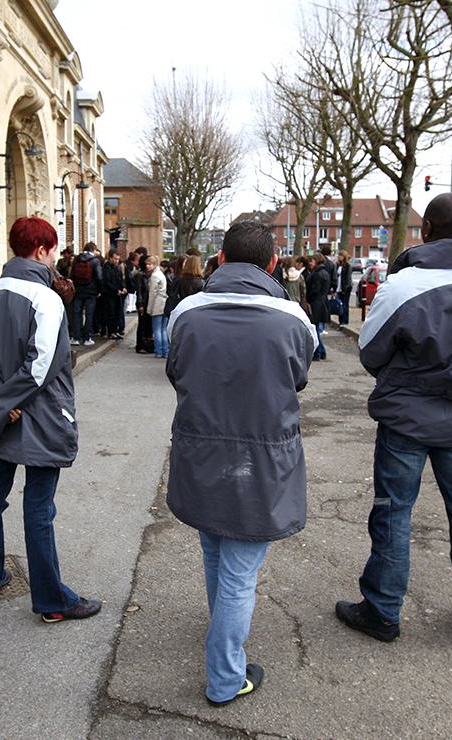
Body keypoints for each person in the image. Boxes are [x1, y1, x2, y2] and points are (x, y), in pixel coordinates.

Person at [336, 193, 452, 647]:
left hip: (407, 418)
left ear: (427, 231)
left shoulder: (403, 286)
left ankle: (383, 611)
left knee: (394, 511)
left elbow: (370, 352)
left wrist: (408, 377)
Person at [165, 221, 316, 706]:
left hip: (202, 452)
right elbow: (298, 378)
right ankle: (226, 676)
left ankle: (221, 639)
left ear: (222, 259)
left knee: (216, 551)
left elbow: (177, 370)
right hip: (264, 460)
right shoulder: (293, 318)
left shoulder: (187, 312)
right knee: (238, 572)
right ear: (272, 264)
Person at [0, 216, 101, 624]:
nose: (54, 256)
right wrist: (7, 402)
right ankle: (52, 600)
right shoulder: (45, 297)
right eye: (52, 249)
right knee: (38, 507)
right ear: (41, 250)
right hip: (41, 414)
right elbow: (40, 367)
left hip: (7, 413)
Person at [69, 242, 102, 346]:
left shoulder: (77, 259)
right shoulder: (95, 261)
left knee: (77, 314)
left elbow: (72, 274)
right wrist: (99, 290)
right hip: (91, 292)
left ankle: (76, 338)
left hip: (78, 291)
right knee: (89, 315)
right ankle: (87, 338)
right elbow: (99, 277)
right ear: (93, 249)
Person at [305, 255, 330, 360]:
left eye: (312, 261)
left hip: (316, 304)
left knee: (314, 329)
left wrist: (308, 299)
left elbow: (314, 290)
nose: (310, 263)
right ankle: (322, 352)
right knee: (316, 328)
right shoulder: (324, 273)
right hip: (322, 302)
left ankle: (318, 353)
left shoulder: (317, 274)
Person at [146, 255, 169, 358]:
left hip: (157, 304)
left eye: (149, 264)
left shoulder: (154, 276)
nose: (147, 266)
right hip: (164, 303)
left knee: (156, 329)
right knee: (163, 329)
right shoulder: (161, 274)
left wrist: (149, 308)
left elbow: (152, 294)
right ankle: (165, 350)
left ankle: (158, 351)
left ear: (154, 265)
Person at [101, 250, 127, 339]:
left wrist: (123, 287)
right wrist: (116, 290)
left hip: (117, 294)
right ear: (110, 258)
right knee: (110, 313)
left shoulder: (118, 268)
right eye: (115, 259)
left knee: (118, 313)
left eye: (118, 259)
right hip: (109, 294)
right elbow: (107, 282)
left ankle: (115, 331)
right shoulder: (106, 268)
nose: (116, 261)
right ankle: (111, 331)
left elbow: (120, 279)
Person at [135, 250, 153, 354]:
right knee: (142, 324)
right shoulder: (140, 275)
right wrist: (140, 304)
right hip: (143, 302)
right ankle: (140, 345)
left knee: (147, 324)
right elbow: (139, 291)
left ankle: (147, 344)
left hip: (148, 302)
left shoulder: (148, 275)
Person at [335, 251, 353, 325]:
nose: (339, 257)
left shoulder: (348, 266)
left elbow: (348, 278)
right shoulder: (337, 265)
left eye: (341, 255)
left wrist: (344, 289)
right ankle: (341, 320)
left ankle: (345, 321)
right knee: (340, 304)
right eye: (339, 255)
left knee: (345, 304)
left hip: (345, 288)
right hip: (339, 287)